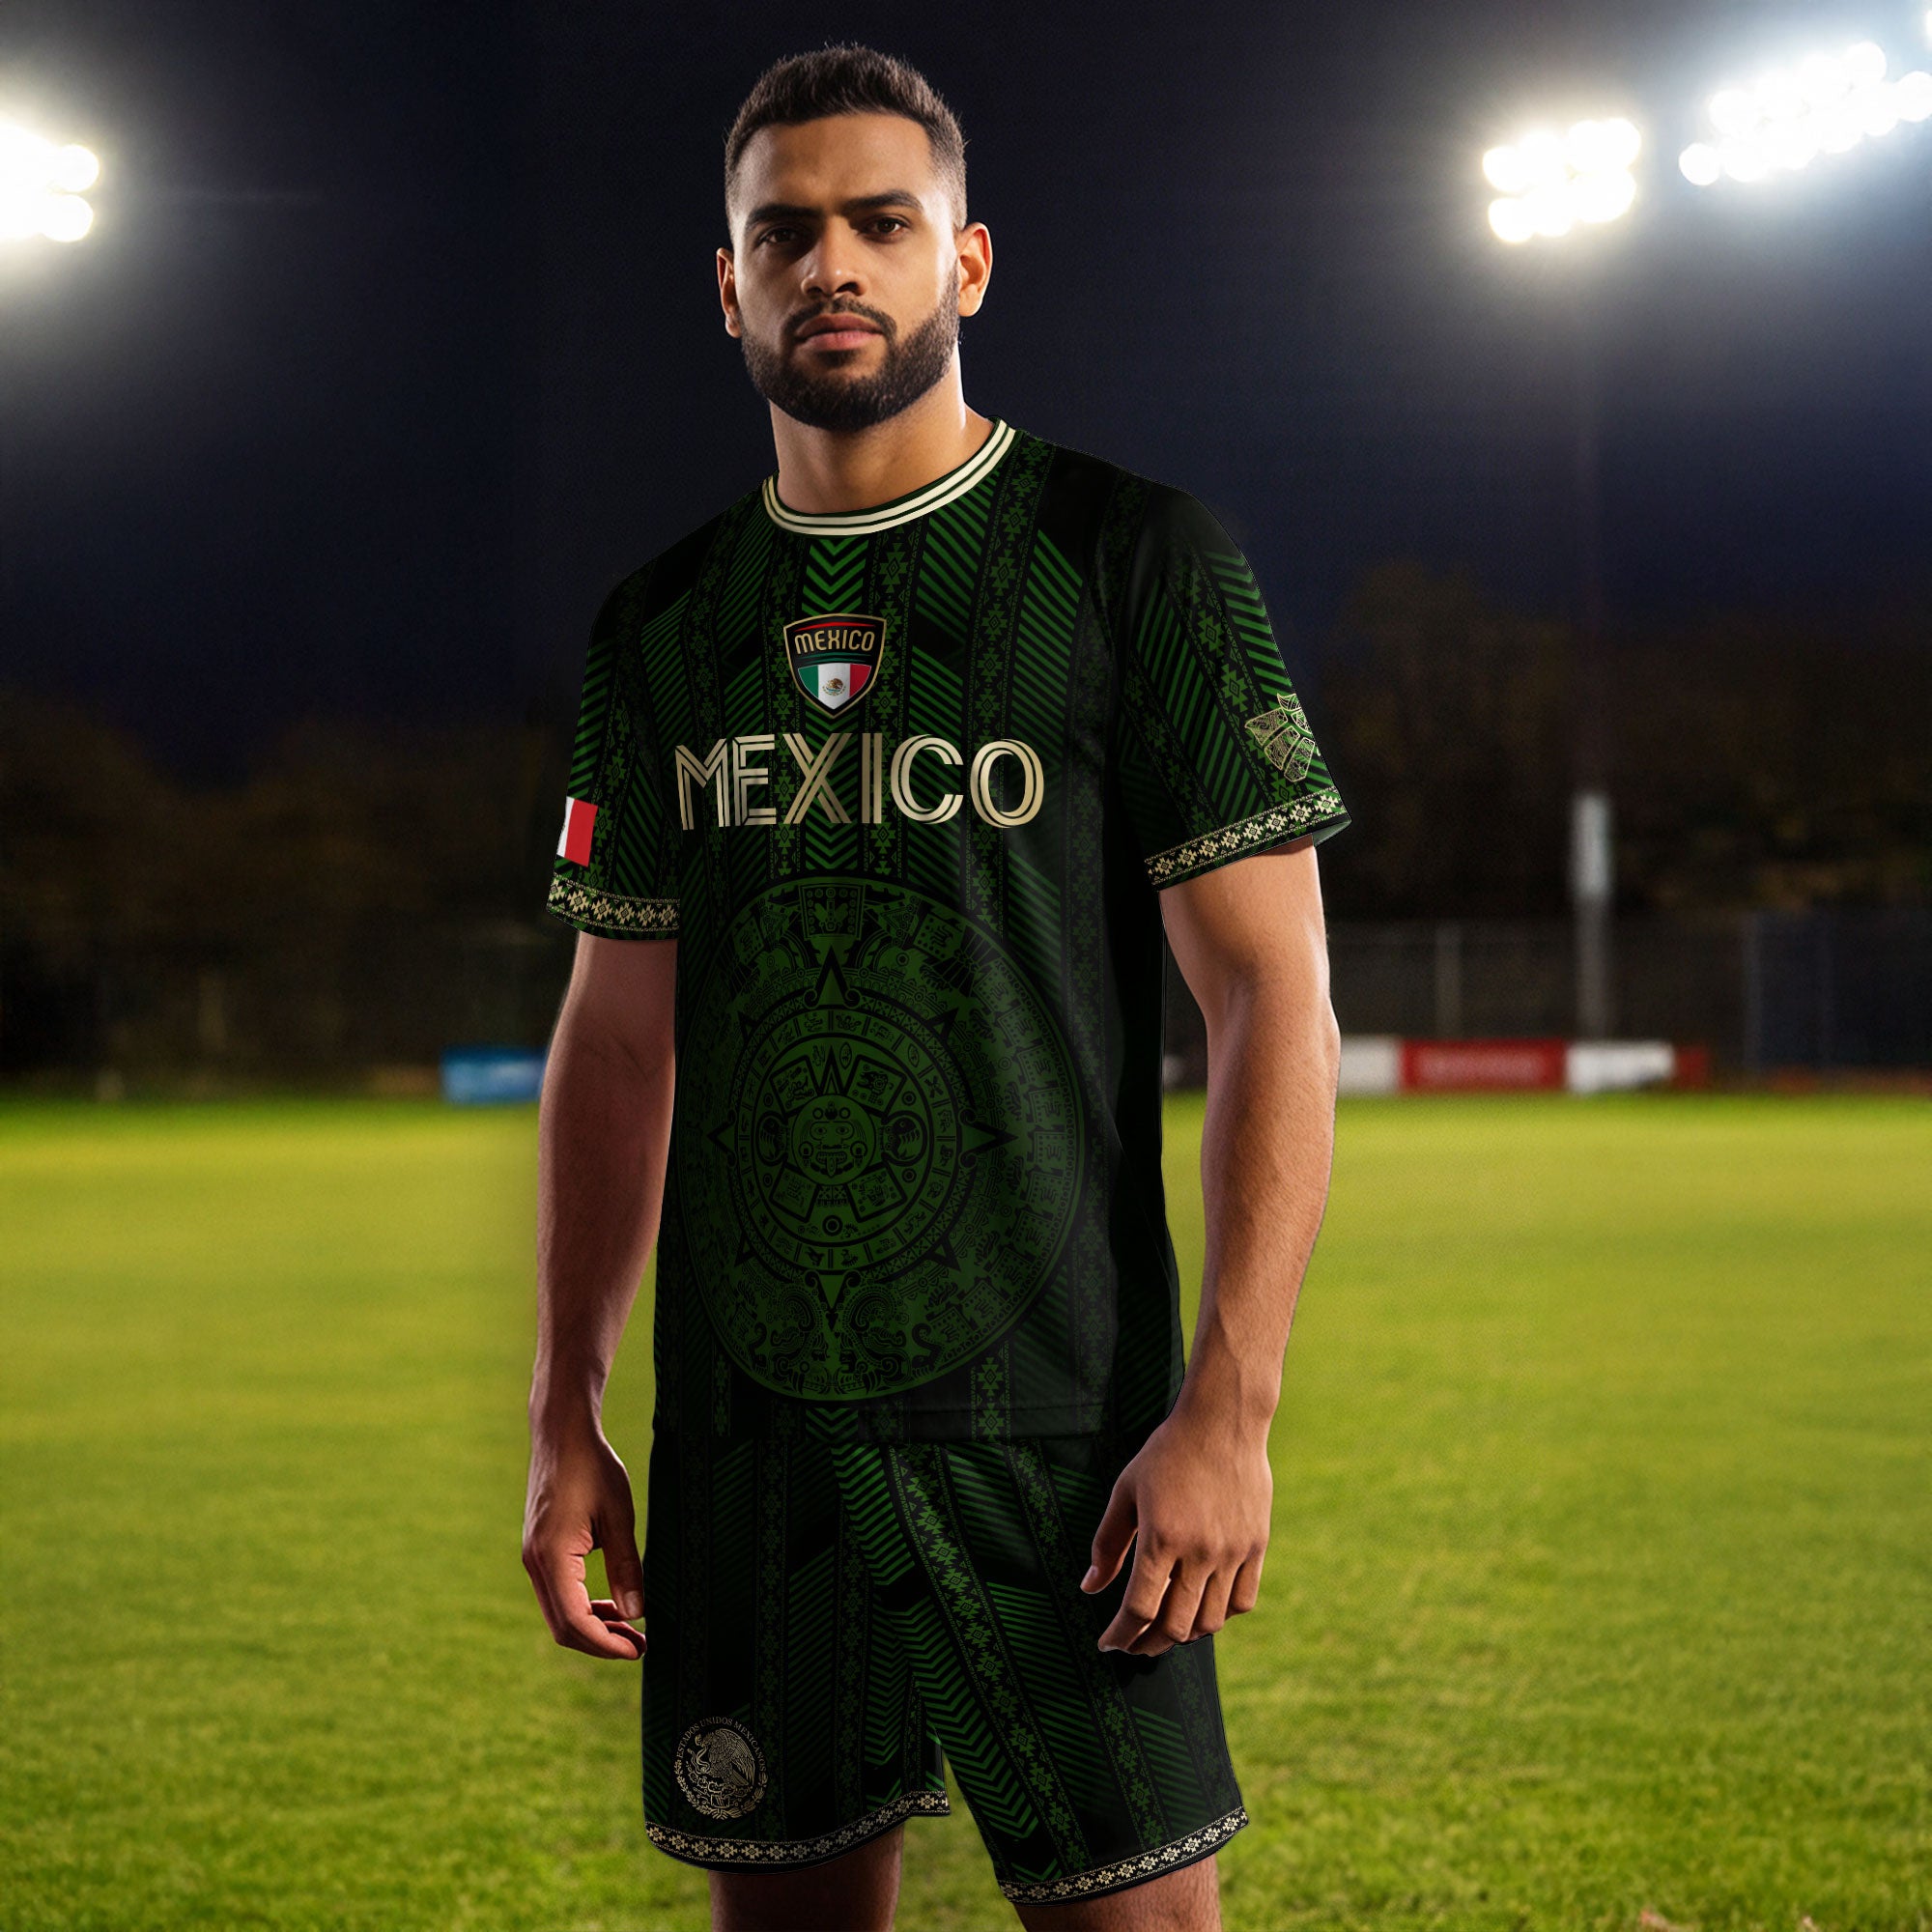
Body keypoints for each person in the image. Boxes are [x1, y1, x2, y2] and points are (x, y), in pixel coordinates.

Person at [522, 43, 1347, 1932]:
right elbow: (616, 1039)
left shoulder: (1130, 560)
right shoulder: (662, 626)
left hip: (1064, 1431)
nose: (832, 264)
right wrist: (568, 1414)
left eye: (881, 223)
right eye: (785, 233)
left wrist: (1230, 1408)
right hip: (749, 1438)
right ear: (727, 284)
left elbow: (1273, 1001)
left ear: (965, 262)